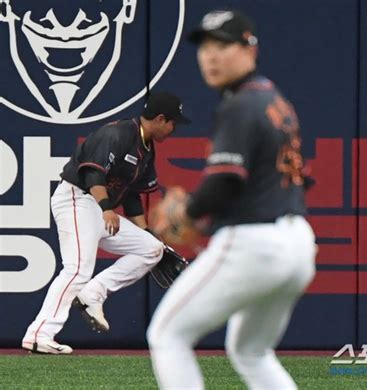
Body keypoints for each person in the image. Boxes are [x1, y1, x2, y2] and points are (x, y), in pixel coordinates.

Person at [147, 9, 317, 389]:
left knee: (167, 335)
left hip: (254, 244)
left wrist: (188, 212)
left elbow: (225, 182)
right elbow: (299, 179)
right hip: (299, 243)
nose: (211, 56)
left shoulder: (240, 105)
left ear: (249, 49)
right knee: (252, 352)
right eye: (205, 46)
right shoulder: (274, 101)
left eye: (223, 45)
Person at [22, 92, 191, 354]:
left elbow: (133, 197)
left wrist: (146, 233)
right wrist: (107, 208)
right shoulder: (118, 134)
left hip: (100, 209)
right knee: (77, 268)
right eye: (173, 123)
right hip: (78, 199)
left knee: (152, 249)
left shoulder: (146, 149)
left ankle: (94, 292)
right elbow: (92, 174)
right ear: (160, 119)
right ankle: (39, 334)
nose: (173, 128)